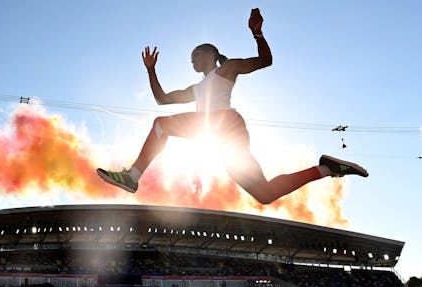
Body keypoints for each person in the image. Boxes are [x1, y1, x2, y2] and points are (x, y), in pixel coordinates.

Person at [97, 8, 367, 204]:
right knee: (265, 194)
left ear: (211, 54)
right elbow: (163, 99)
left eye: (196, 55)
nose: (192, 60)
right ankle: (326, 169)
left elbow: (265, 61)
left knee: (161, 125)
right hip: (223, 140)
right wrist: (151, 70)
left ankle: (133, 176)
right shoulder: (196, 89)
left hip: (224, 123)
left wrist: (258, 33)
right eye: (190, 58)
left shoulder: (226, 69)